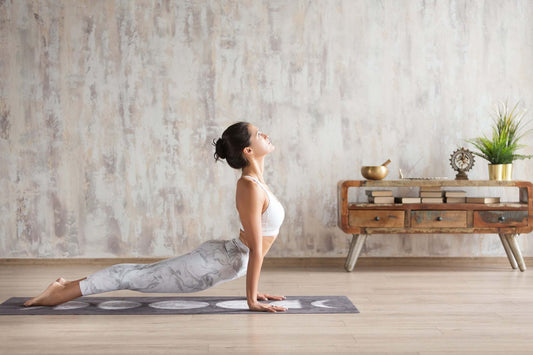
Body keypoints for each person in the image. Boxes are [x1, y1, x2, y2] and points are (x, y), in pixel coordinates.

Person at [24, 122, 288, 313]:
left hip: (223, 259)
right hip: (213, 264)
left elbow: (256, 245)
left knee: (139, 274)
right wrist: (251, 300)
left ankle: (65, 285)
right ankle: (59, 293)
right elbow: (255, 248)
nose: (265, 134)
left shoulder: (257, 184)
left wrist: (254, 292)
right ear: (248, 151)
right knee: (132, 276)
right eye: (257, 134)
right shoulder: (249, 187)